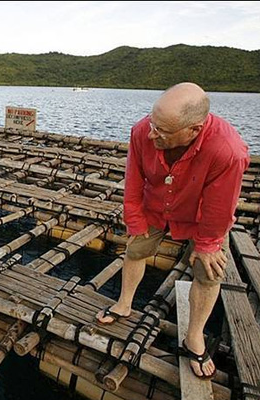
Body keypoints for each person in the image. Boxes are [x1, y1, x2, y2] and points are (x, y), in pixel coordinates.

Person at [95, 82, 250, 380]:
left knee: (209, 271)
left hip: (201, 216)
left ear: (193, 130)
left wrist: (206, 246)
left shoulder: (227, 150)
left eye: (162, 131)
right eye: (153, 124)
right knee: (136, 249)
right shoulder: (143, 131)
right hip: (155, 205)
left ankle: (194, 336)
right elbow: (133, 181)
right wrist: (136, 221)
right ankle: (125, 304)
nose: (152, 133)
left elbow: (220, 207)